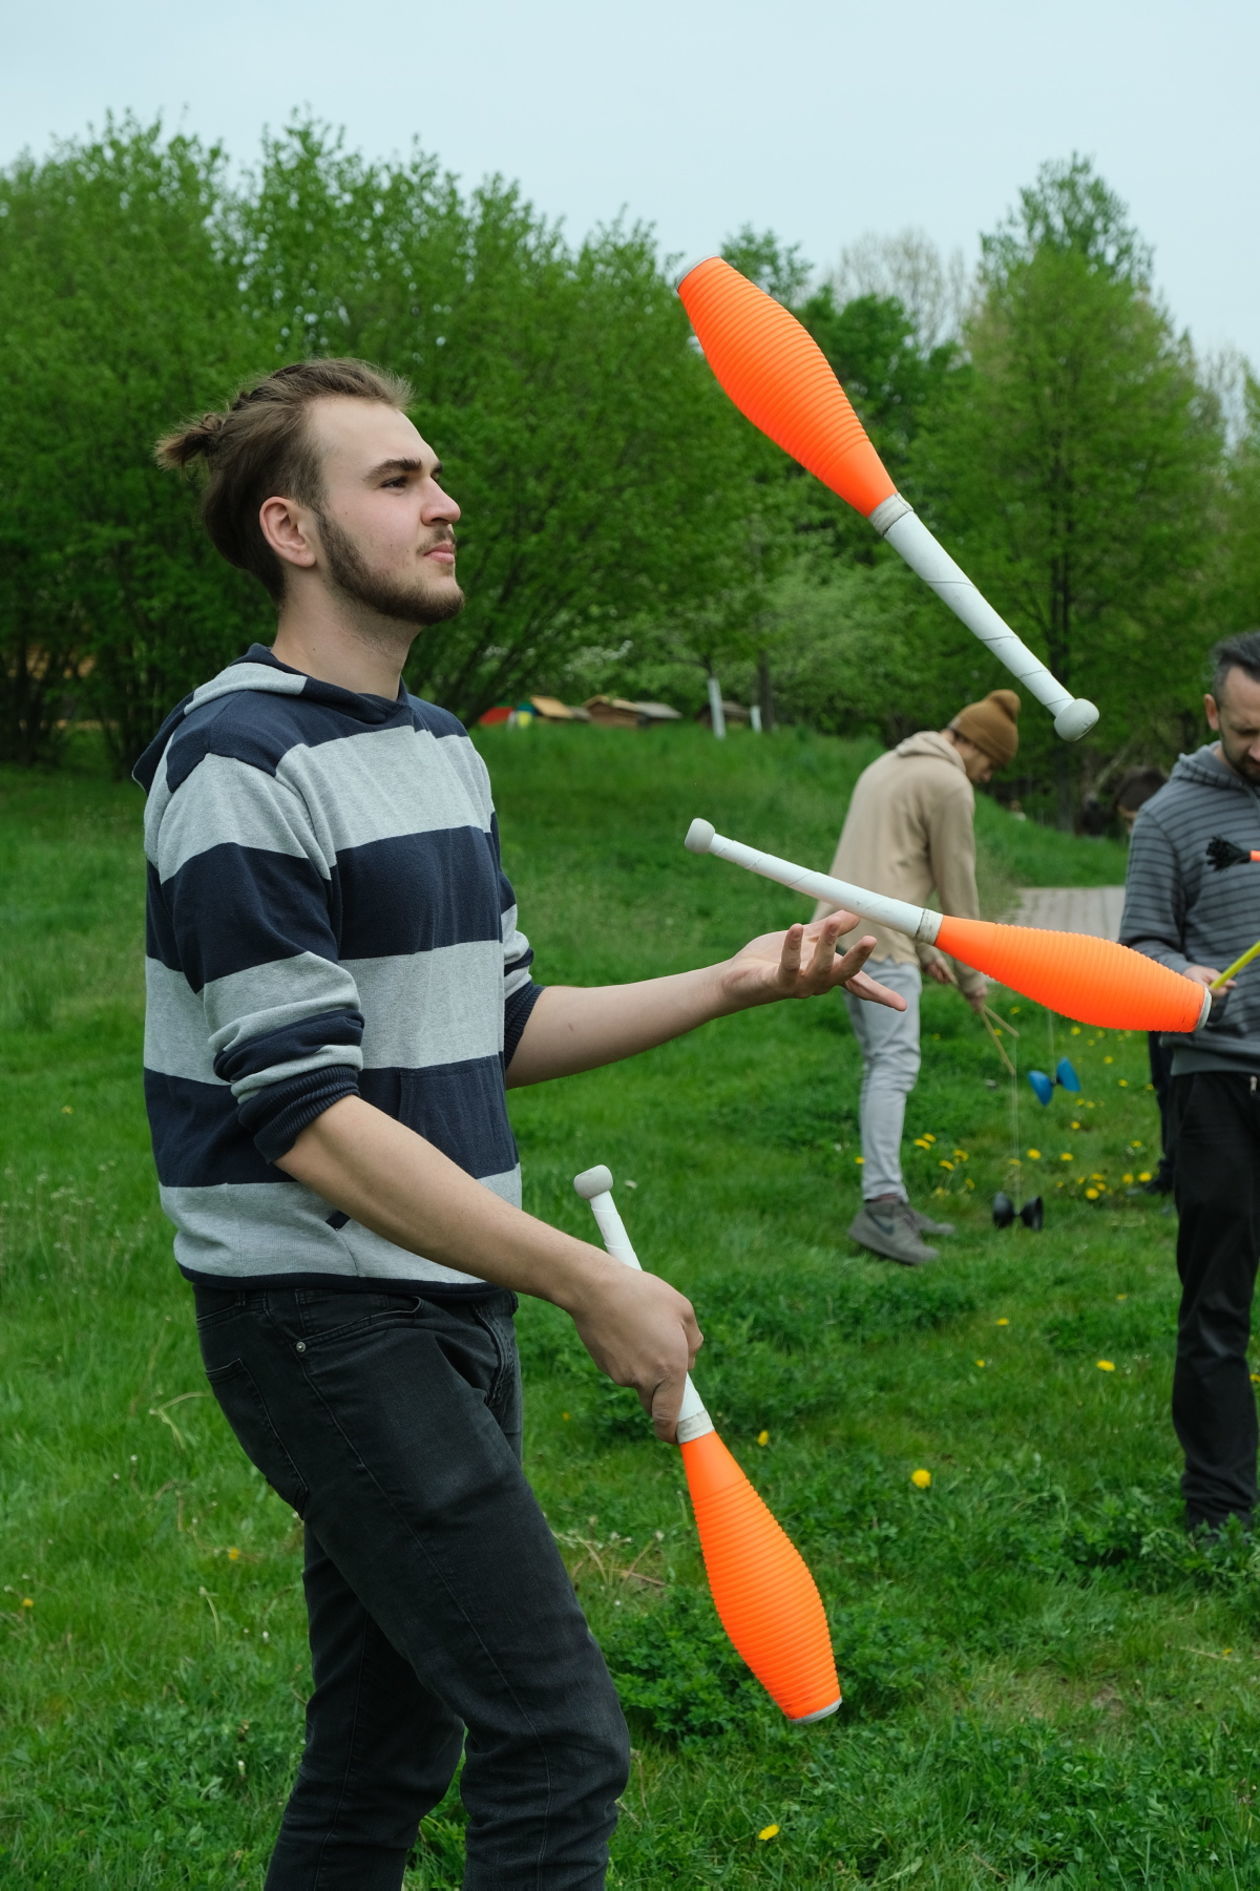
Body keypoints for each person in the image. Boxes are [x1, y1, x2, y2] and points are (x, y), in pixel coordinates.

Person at [135, 358, 902, 1891]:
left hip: (438, 1301)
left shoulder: (438, 748)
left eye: (437, 471)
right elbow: (309, 1117)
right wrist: (583, 1272)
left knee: (388, 1744)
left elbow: (493, 1032)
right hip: (320, 1317)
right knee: (556, 1733)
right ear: (292, 528)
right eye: (399, 479)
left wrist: (739, 978)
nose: (446, 500)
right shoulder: (236, 762)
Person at [1120, 630, 1260, 1539]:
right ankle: (1219, 1505)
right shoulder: (1167, 818)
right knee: (1217, 1303)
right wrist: (1188, 986)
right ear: (1214, 713)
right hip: (1220, 1094)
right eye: (1251, 729)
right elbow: (1138, 953)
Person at [812, 689, 1021, 1266]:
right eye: (992, 764)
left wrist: (926, 949)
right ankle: (881, 1209)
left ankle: (892, 1199)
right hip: (882, 938)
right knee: (894, 1067)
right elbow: (958, 885)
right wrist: (972, 974)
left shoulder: (889, 763)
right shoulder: (949, 783)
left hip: (840, 930)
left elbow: (893, 862)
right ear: (974, 743)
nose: (985, 776)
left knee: (881, 1065)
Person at [1113, 767, 1175, 1193]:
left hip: (1186, 987)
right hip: (1153, 986)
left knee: (1183, 1089)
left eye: (1135, 822)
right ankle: (1172, 1170)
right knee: (1163, 1084)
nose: (1133, 833)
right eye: (1128, 825)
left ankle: (1188, 1177)